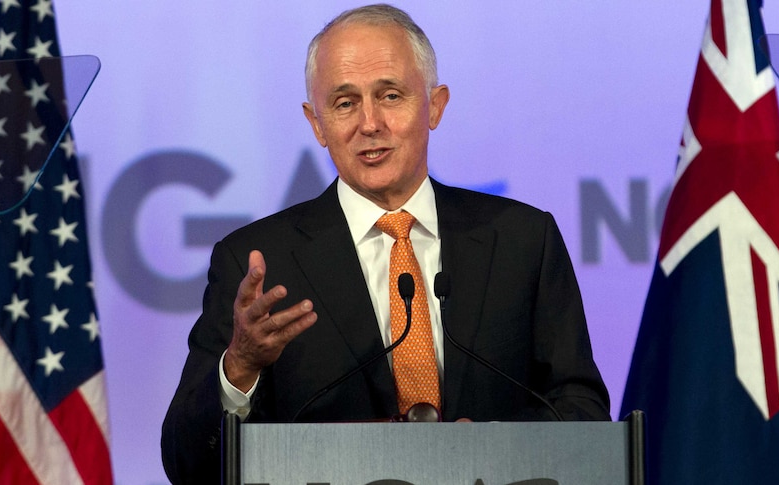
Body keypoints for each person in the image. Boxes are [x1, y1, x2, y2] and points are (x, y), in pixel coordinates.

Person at [161, 4, 611, 483]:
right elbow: (188, 463)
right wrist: (241, 369)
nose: (369, 123)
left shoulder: (523, 240)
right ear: (316, 124)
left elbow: (582, 412)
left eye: (391, 95)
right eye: (344, 103)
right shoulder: (257, 261)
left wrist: (484, 443)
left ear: (434, 106)